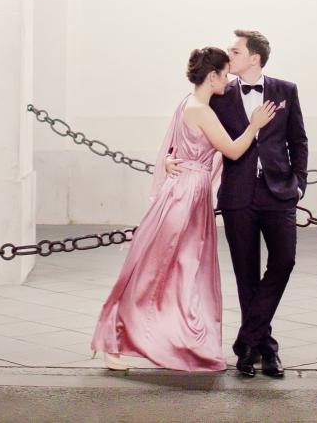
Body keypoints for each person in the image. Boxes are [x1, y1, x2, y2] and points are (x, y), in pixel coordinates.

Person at [90, 45, 276, 373]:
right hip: (186, 196)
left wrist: (169, 160)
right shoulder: (200, 109)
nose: (228, 79)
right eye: (224, 74)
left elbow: (175, 149)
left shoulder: (189, 103)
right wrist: (254, 125)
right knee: (160, 268)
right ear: (213, 76)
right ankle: (117, 341)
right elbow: (232, 151)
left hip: (189, 192)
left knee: (178, 271)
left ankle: (171, 340)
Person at [172, 29, 308, 379]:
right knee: (246, 274)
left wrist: (300, 184)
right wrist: (173, 158)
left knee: (285, 261)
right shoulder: (220, 93)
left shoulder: (285, 90)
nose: (228, 55)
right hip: (237, 195)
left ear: (254, 58)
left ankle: (247, 340)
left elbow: (298, 140)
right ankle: (263, 349)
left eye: (234, 51)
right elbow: (193, 126)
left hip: (279, 192)